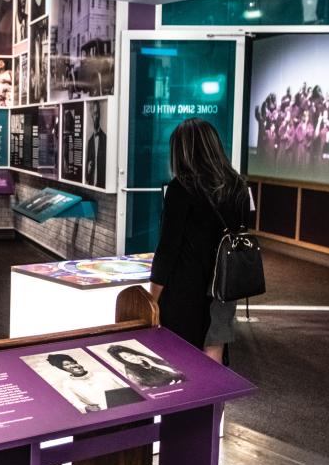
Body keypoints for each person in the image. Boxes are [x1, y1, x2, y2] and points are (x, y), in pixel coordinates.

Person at [149, 118, 254, 361]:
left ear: (183, 152)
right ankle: (211, 399)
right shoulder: (237, 186)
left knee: (179, 354)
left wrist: (152, 296)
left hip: (185, 285)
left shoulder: (180, 188)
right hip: (224, 285)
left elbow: (168, 248)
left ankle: (187, 399)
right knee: (214, 343)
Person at [103, 343, 183, 389]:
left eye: (130, 354)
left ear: (134, 353)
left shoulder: (148, 359)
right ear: (123, 360)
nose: (131, 358)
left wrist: (154, 364)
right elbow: (144, 390)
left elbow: (177, 371)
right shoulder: (131, 372)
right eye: (125, 357)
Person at [85, 100, 107, 187]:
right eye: (94, 114)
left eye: (98, 113)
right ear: (91, 116)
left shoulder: (105, 139)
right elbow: (87, 171)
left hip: (102, 185)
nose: (96, 116)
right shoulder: (90, 141)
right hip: (91, 184)